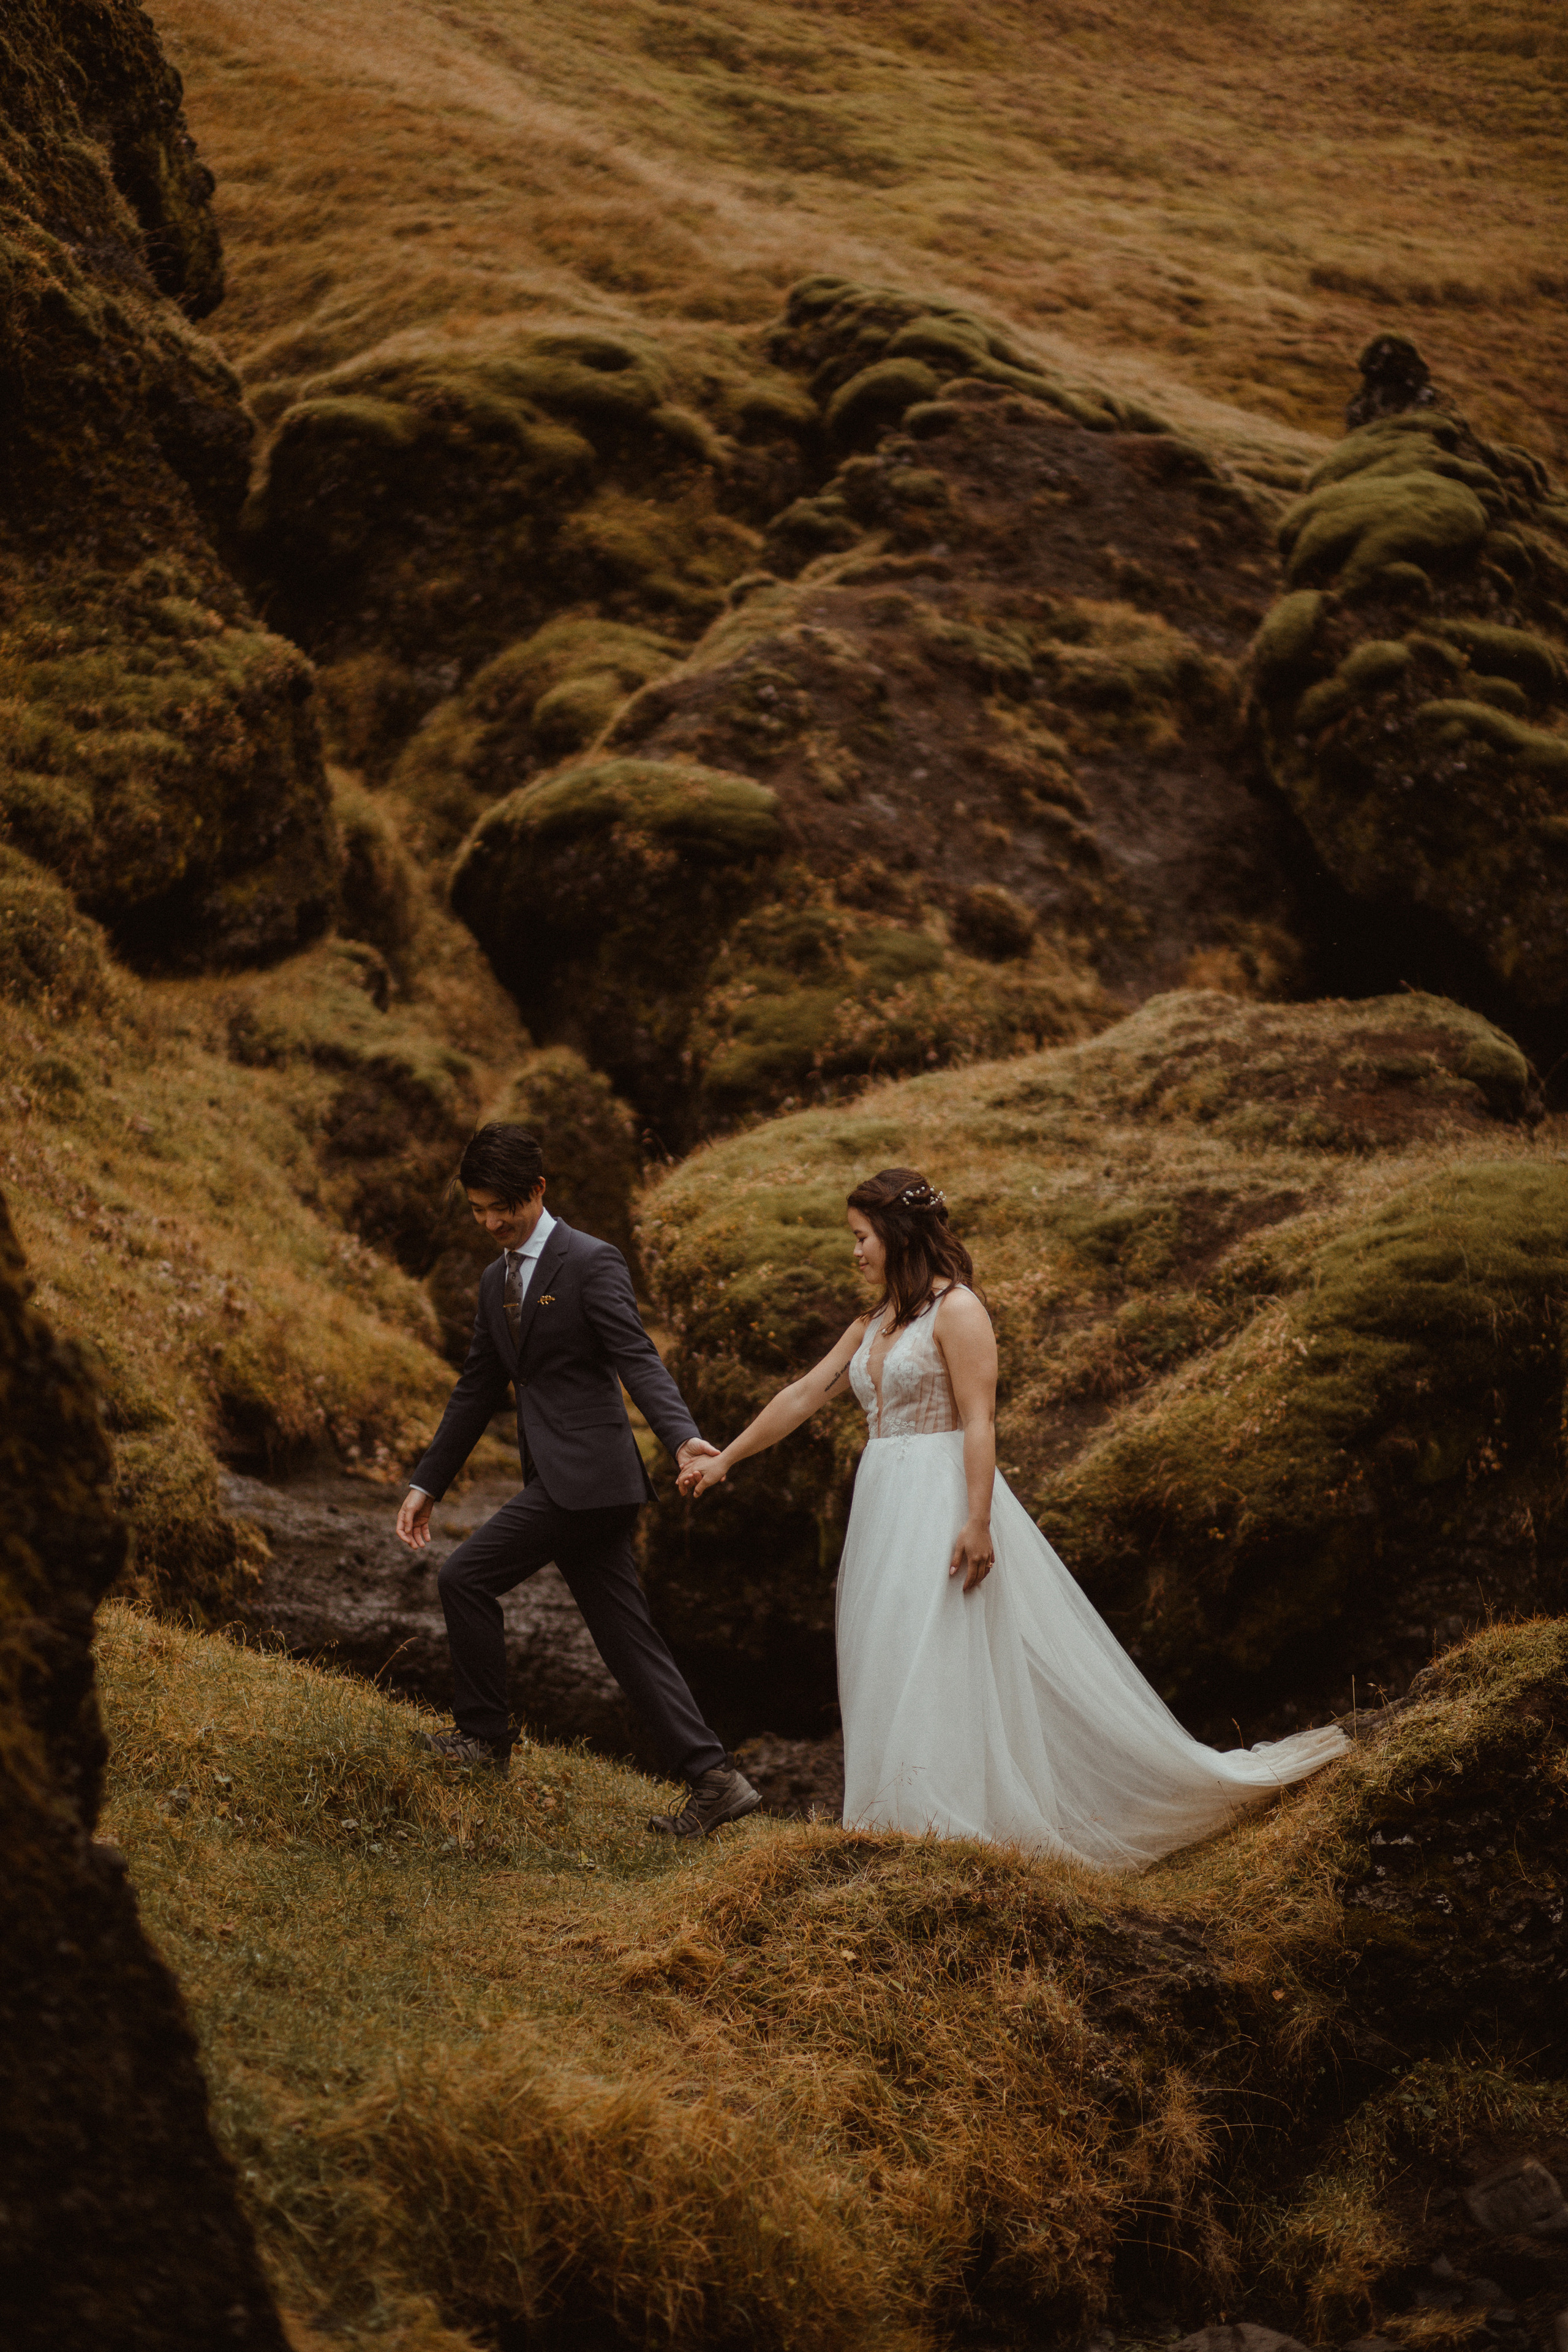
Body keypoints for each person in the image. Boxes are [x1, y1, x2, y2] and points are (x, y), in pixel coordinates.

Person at [680, 1166, 1348, 1868]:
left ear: (898, 1234)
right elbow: (805, 1393)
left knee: (938, 1647)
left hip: (940, 1496)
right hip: (881, 1502)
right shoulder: (874, 1320)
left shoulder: (958, 1310)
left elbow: (979, 1421)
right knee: (885, 1646)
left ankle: (949, 1822)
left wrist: (977, 1519)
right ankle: (894, 1816)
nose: (854, 1252)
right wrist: (726, 1459)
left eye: (861, 1237)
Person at [396, 1123, 761, 1839]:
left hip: (590, 1480)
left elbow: (637, 1356)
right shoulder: (492, 1278)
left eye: (501, 1206)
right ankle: (715, 1780)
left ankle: (483, 1741)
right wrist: (427, 1483)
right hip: (570, 1483)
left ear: (537, 1190)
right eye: (476, 1209)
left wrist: (683, 1439)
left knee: (465, 1578)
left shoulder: (590, 1260)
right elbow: (477, 1389)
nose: (490, 1222)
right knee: (627, 1640)